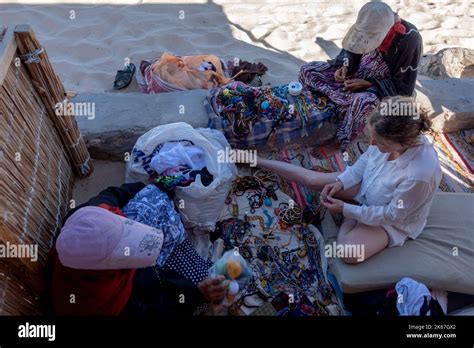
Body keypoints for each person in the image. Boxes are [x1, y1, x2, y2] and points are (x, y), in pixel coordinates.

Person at [254, 96, 442, 263]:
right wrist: (341, 182)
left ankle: (349, 214)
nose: (372, 145)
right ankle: (256, 160)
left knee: (348, 252)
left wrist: (347, 210)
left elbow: (392, 215)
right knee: (313, 181)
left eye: (381, 143)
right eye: (372, 138)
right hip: (369, 187)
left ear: (405, 142)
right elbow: (364, 163)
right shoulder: (385, 140)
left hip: (391, 221)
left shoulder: (419, 175)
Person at [44, 182, 226, 316]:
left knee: (153, 193)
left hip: (135, 275)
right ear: (109, 267)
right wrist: (198, 293)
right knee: (198, 285)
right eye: (125, 251)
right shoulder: (107, 303)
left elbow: (115, 192)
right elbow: (160, 310)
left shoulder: (89, 216)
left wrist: (153, 183)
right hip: (146, 290)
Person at [299, 1, 422, 149]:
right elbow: (351, 50)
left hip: (381, 88)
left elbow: (403, 90)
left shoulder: (409, 39)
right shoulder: (369, 23)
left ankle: (341, 140)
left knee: (362, 101)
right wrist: (344, 67)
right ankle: (325, 108)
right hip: (358, 73)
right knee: (308, 70)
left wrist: (369, 84)